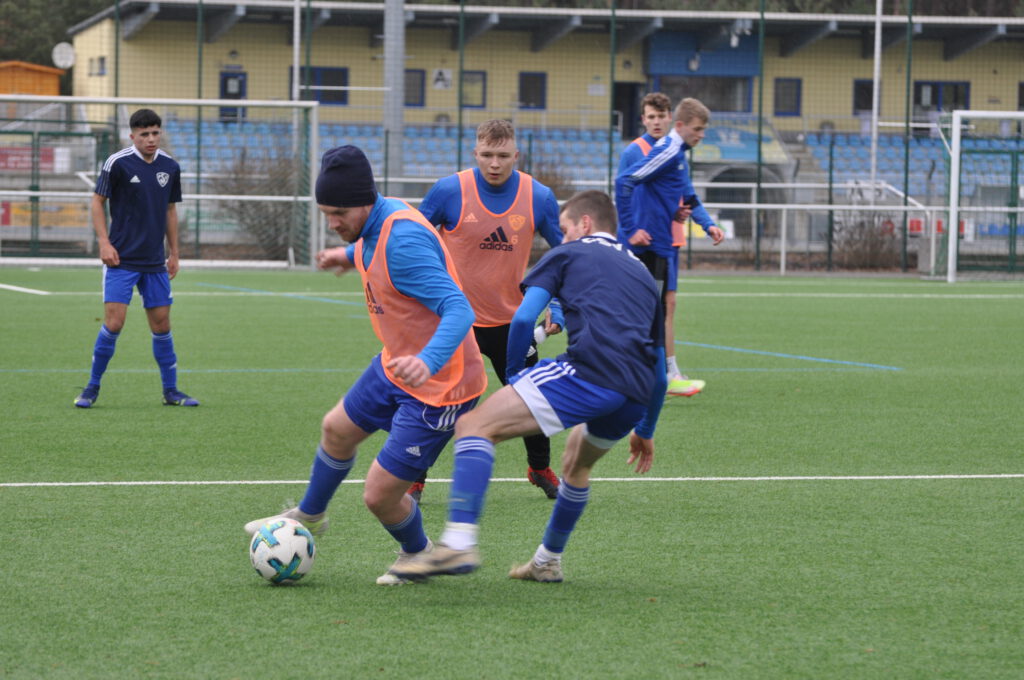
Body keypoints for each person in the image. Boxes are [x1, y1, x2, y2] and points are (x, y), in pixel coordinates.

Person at [389, 190, 666, 584]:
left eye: (565, 229)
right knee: (577, 465)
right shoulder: (641, 273)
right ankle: (546, 562)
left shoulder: (568, 253)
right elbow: (660, 370)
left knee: (472, 427)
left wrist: (516, 374)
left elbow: (522, 321)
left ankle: (458, 542)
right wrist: (646, 430)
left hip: (589, 373)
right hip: (635, 392)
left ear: (585, 224)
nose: (562, 237)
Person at [243, 145, 488, 586]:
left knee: (379, 496)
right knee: (336, 429)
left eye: (338, 213)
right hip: (397, 364)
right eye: (326, 214)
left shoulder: (404, 241)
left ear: (364, 202)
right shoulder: (377, 220)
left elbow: (459, 309)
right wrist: (345, 255)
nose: (332, 223)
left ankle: (417, 552)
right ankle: (311, 516)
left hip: (441, 385)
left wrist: (428, 361)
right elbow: (369, 245)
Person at [409, 118, 565, 501]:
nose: (495, 163)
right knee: (434, 402)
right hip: (454, 321)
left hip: (512, 324)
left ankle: (539, 468)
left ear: (517, 155)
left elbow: (566, 256)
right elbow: (410, 240)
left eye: (503, 156)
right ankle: (414, 478)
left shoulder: (539, 197)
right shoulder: (449, 191)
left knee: (533, 400)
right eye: (487, 155)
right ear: (475, 153)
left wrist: (557, 304)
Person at [73, 108, 198, 408]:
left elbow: (170, 210)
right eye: (144, 134)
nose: (151, 139)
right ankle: (91, 388)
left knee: (162, 325)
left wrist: (174, 253)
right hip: (121, 259)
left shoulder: (170, 166)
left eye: (155, 133)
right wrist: (104, 243)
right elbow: (97, 201)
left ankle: (171, 391)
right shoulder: (117, 163)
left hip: (154, 262)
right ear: (132, 136)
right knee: (114, 323)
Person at [615, 95, 724, 398]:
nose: (702, 135)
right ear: (680, 125)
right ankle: (650, 375)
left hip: (661, 244)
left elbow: (685, 195)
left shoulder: (676, 153)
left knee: (659, 309)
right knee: (644, 310)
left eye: (660, 115)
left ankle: (660, 375)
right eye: (698, 129)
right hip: (645, 246)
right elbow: (624, 183)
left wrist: (706, 224)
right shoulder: (664, 150)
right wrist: (630, 229)